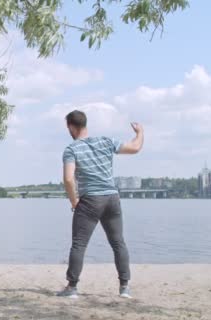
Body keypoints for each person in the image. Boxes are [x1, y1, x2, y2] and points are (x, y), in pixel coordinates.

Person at [56, 110, 144, 299]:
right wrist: (140, 132)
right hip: (112, 198)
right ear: (85, 124)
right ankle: (124, 288)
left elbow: (69, 179)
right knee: (118, 242)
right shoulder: (106, 141)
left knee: (79, 245)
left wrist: (74, 201)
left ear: (71, 126)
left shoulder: (72, 149)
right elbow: (135, 148)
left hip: (90, 201)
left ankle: (71, 288)